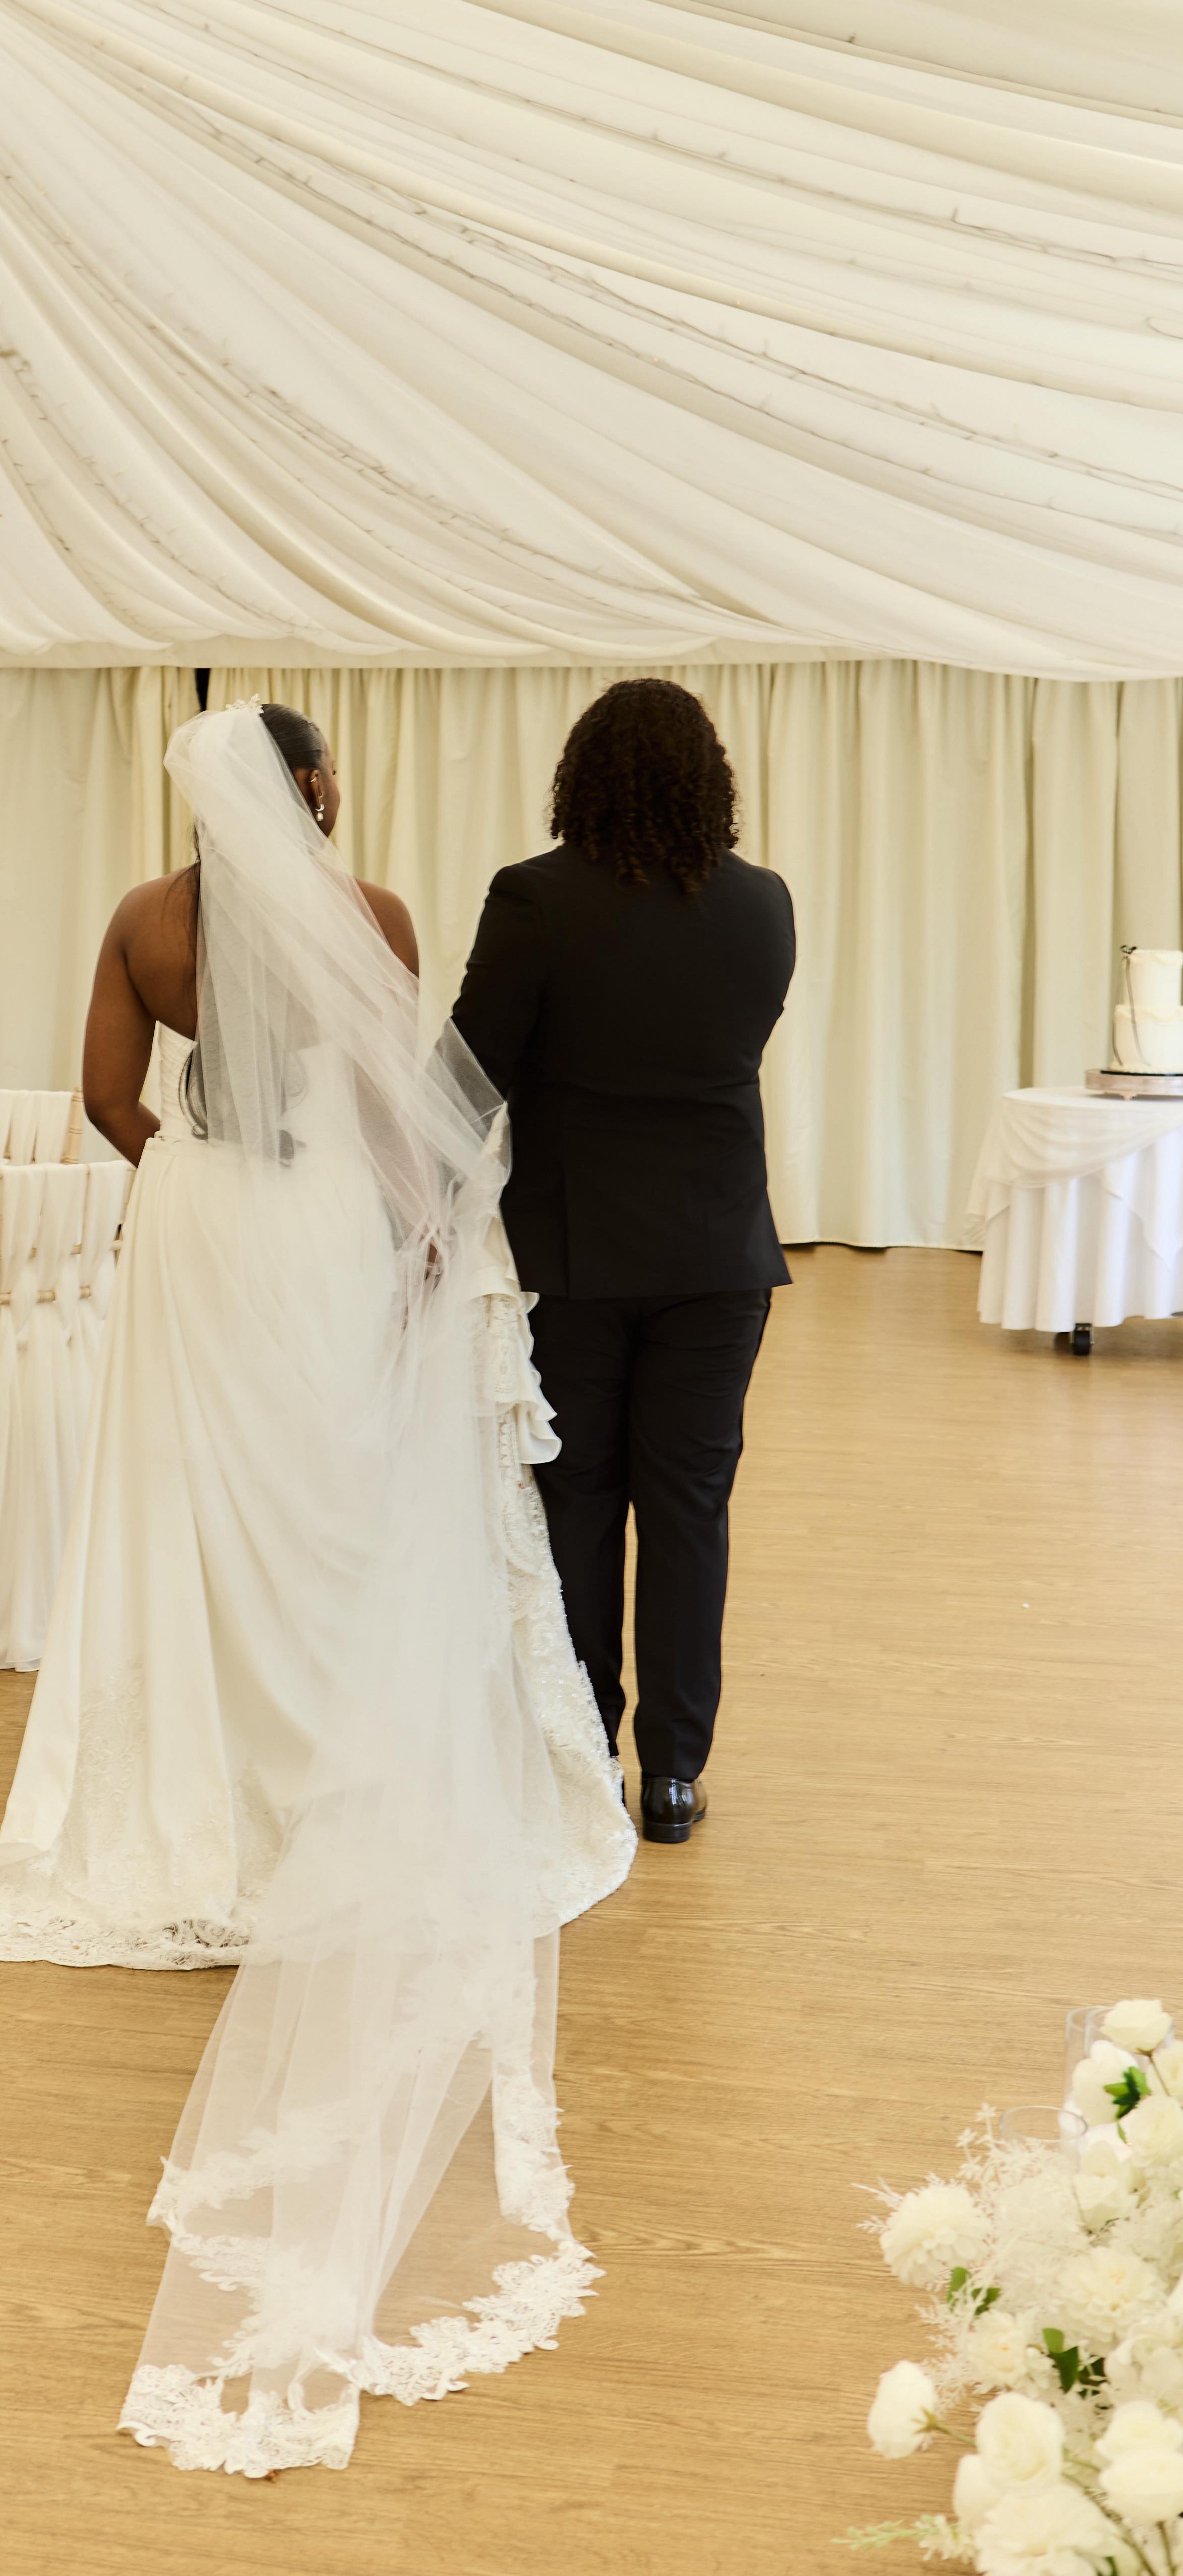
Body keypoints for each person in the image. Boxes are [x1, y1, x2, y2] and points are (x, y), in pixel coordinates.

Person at [0, 699, 631, 2474]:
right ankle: (336, 1788)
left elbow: (102, 1098)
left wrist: (193, 1189)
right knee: (339, 1503)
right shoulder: (374, 915)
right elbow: (404, 1109)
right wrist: (420, 1237)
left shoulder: (138, 922)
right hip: (320, 1235)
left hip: (197, 1234)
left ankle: (200, 1791)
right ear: (310, 791)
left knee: (187, 1519)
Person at [450, 678, 795, 1847]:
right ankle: (676, 1775)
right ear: (709, 779)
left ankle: (585, 1745)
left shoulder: (535, 898)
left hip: (573, 1252)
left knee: (581, 1505)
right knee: (691, 1508)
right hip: (719, 1256)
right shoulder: (763, 906)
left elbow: (465, 1078)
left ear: (579, 777)